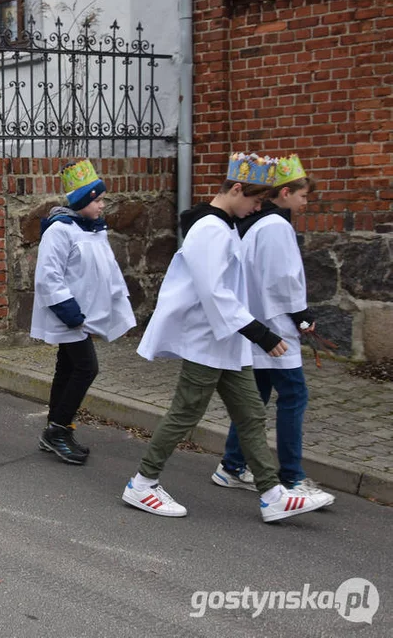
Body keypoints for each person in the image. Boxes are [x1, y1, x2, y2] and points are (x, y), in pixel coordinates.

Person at [121, 153, 333, 523]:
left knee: (251, 413)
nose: (256, 208)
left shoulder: (224, 227)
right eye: (254, 200)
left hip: (226, 341)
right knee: (185, 413)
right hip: (208, 340)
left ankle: (272, 495)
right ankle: (142, 483)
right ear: (236, 189)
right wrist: (261, 333)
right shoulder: (210, 230)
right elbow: (214, 291)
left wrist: (252, 332)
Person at [211, 155, 334, 504]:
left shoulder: (255, 225)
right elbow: (284, 280)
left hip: (258, 325)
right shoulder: (277, 227)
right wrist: (303, 317)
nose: (305, 203)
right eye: (303, 196)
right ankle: (292, 477)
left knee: (258, 397)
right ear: (285, 192)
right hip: (276, 326)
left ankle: (232, 465)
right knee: (294, 396)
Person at [30, 160, 136, 464]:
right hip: (69, 316)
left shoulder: (93, 230)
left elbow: (109, 271)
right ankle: (58, 431)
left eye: (102, 199)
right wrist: (71, 313)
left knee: (67, 367)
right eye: (97, 199)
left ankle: (56, 428)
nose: (102, 205)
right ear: (82, 202)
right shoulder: (60, 231)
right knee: (86, 368)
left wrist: (118, 309)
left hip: (84, 316)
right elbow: (49, 276)